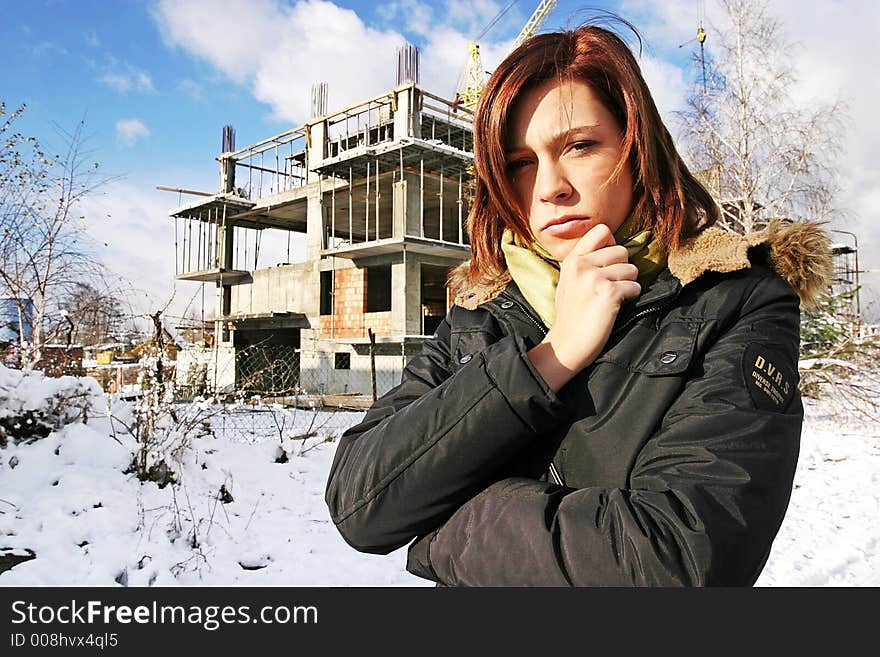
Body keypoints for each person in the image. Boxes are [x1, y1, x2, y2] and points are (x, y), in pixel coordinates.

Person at [324, 22, 831, 586]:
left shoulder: (735, 300)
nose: (549, 187)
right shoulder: (483, 313)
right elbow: (359, 505)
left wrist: (443, 532)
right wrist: (553, 354)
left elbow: (673, 564)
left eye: (580, 145)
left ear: (638, 149)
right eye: (520, 163)